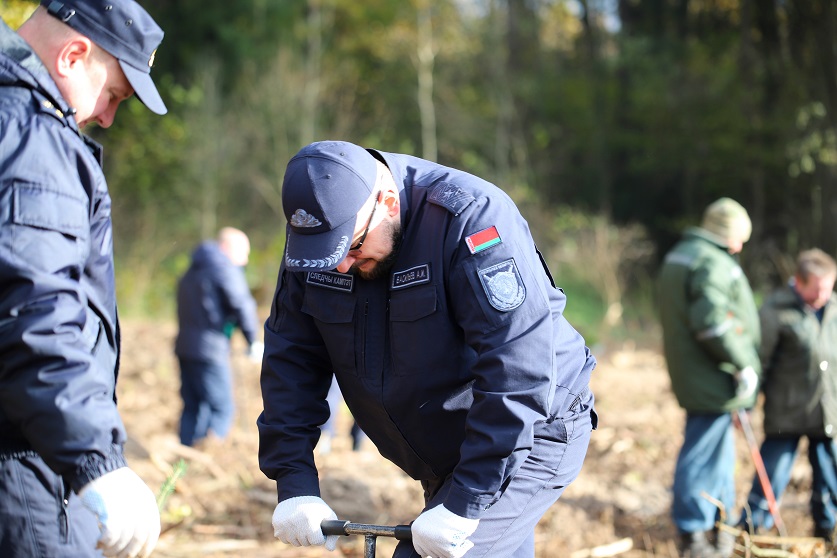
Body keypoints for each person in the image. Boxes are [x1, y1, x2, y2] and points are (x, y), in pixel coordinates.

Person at [257, 140, 598, 558]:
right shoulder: (321, 242)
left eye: (354, 246)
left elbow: (519, 368)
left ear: (387, 202)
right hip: (448, 450)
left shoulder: (471, 219)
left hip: (529, 429)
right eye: (330, 254)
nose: (341, 264)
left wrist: (466, 501)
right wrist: (294, 481)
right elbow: (291, 360)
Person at [0, 1, 167, 557]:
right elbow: (35, 308)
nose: (108, 116)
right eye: (114, 94)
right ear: (73, 55)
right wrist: (95, 460)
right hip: (19, 465)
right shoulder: (33, 136)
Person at [657, 197, 762, 558]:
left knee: (717, 451)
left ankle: (719, 525)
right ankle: (693, 534)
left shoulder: (682, 254)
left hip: (695, 371)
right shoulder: (710, 261)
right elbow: (713, 322)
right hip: (712, 373)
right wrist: (743, 363)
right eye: (740, 238)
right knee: (703, 453)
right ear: (728, 234)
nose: (741, 246)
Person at [739, 248, 837, 539]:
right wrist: (747, 403)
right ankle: (752, 530)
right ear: (799, 281)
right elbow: (759, 362)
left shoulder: (833, 310)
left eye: (829, 287)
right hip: (787, 412)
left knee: (829, 476)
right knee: (772, 473)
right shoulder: (775, 311)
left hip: (827, 412)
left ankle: (827, 529)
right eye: (817, 289)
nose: (823, 295)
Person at [175, 227, 263, 447]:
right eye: (243, 252)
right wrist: (253, 340)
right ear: (226, 247)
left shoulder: (192, 269)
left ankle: (185, 456)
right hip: (211, 349)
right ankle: (207, 455)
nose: (245, 260)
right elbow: (241, 303)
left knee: (194, 406)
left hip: (185, 345)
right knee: (222, 407)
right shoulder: (223, 268)